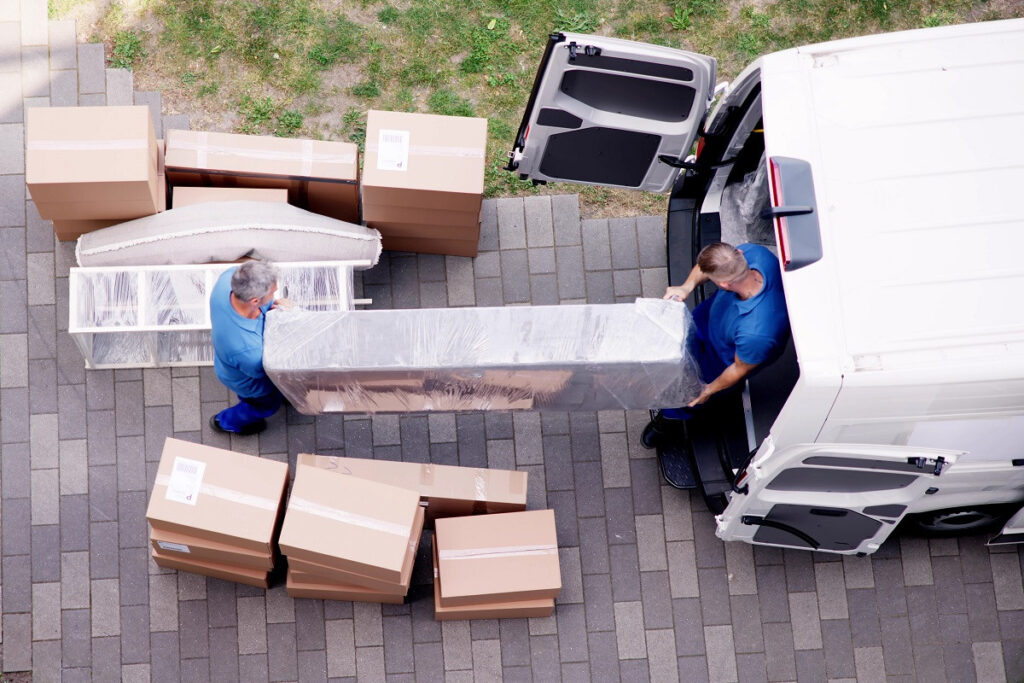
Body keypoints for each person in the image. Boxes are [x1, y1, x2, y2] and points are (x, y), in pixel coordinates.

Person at [641, 242, 790, 448]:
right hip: (710, 319)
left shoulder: (758, 332)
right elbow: (705, 267)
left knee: (686, 392)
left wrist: (708, 390)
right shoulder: (754, 253)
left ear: (724, 285)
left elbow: (739, 368)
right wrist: (687, 286)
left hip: (720, 359)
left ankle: (671, 421)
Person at [208, 260, 285, 436]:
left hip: (227, 363)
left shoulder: (228, 279)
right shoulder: (249, 352)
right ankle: (228, 422)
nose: (274, 296)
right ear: (255, 300)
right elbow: (266, 373)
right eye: (272, 293)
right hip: (250, 383)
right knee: (265, 406)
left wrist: (271, 307)